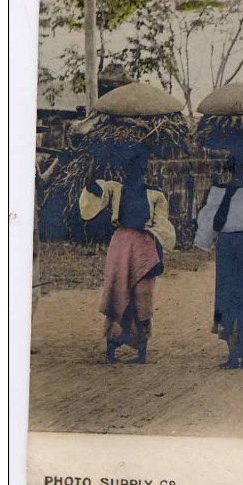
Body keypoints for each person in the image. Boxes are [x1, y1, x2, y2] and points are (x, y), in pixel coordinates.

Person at [79, 146, 176, 364]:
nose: (136, 171)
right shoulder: (115, 189)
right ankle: (111, 350)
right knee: (116, 292)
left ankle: (141, 352)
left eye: (140, 166)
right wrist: (93, 162)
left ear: (145, 168)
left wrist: (158, 258)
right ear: (124, 170)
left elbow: (161, 227)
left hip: (145, 247)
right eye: (131, 167)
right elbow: (91, 187)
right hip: (121, 246)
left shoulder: (155, 194)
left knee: (143, 296)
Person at [195, 152, 243, 370]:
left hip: (227, 246)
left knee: (228, 296)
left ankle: (232, 357)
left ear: (228, 169)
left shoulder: (218, 192)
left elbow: (209, 221)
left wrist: (206, 242)